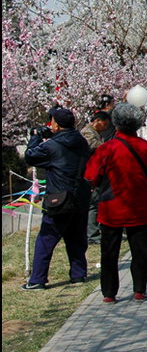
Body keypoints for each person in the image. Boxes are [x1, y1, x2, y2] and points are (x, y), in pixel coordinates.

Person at [84, 103, 147, 303]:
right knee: (140, 249)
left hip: (111, 205)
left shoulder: (107, 148)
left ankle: (109, 293)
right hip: (139, 205)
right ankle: (140, 289)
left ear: (115, 124)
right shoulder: (145, 147)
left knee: (109, 251)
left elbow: (91, 175)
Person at [21, 108, 92, 290]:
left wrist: (36, 137)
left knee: (47, 238)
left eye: (51, 121)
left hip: (59, 199)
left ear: (57, 125)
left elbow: (30, 157)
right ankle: (78, 274)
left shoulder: (52, 146)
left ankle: (37, 279)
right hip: (81, 197)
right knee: (76, 237)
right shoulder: (81, 142)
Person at [81, 110, 111, 245]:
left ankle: (96, 229)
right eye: (104, 125)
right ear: (97, 121)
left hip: (97, 172)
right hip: (91, 172)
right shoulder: (87, 132)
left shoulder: (96, 133)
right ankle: (91, 234)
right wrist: (109, 147)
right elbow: (94, 146)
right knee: (92, 204)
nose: (105, 128)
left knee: (97, 202)